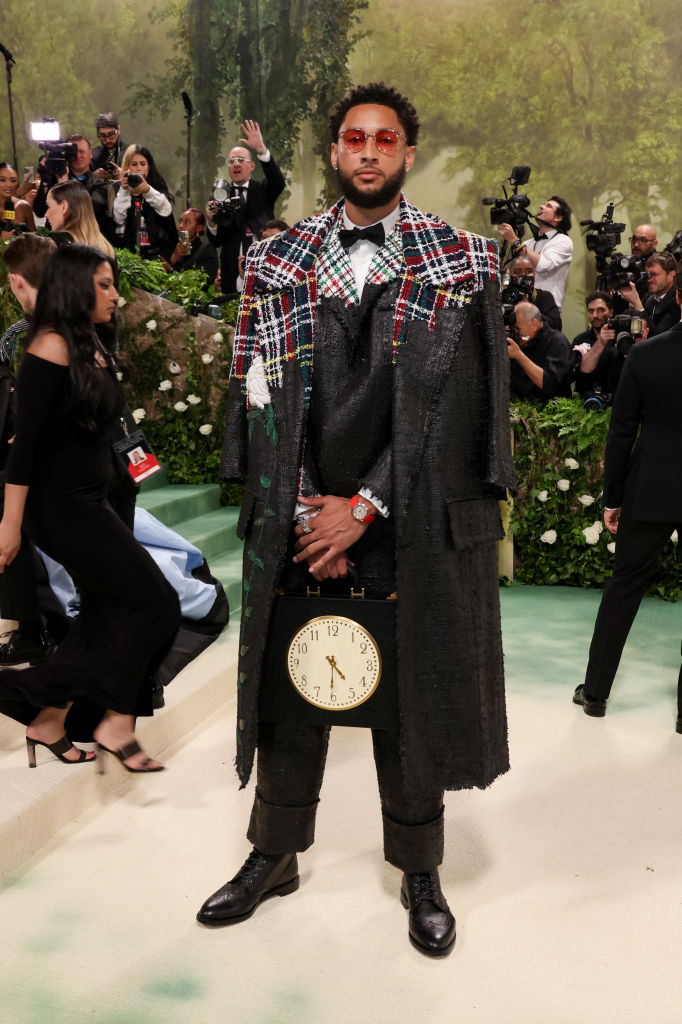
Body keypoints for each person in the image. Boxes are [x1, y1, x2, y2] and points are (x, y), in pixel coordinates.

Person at [197, 82, 515, 957]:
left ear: (407, 153)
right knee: (291, 692)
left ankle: (418, 868)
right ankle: (274, 853)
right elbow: (255, 392)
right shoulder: (273, 261)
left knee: (409, 694)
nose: (368, 151)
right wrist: (309, 512)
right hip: (303, 518)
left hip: (407, 519)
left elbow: (457, 415)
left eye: (385, 139)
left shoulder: (465, 261)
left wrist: (363, 510)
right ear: (334, 154)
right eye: (353, 139)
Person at [0, 245, 180, 770]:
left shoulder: (92, 343)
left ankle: (51, 718)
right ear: (76, 287)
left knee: (105, 613)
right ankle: (113, 718)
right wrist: (10, 525)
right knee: (157, 604)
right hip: (60, 510)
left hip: (93, 501)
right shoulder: (49, 347)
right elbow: (24, 447)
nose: (114, 294)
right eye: (103, 285)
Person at [574, 266, 682, 726]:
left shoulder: (646, 355)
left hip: (651, 487)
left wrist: (612, 498)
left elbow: (621, 434)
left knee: (623, 589)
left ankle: (595, 693)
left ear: (678, 298)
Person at [0, 235, 58, 666]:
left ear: (18, 282)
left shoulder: (41, 336)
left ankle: (39, 631)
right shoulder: (73, 323)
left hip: (57, 471)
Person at [205, 120, 285, 294]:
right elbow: (216, 241)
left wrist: (261, 150)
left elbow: (278, 182)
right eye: (231, 161)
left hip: (264, 267)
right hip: (231, 271)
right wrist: (211, 222)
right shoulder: (221, 195)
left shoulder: (263, 190)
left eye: (241, 160)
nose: (236, 164)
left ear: (251, 165)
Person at [499, 196, 573, 310]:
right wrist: (503, 269)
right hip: (523, 308)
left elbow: (544, 265)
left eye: (548, 206)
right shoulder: (528, 243)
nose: (541, 206)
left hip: (547, 310)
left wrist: (514, 240)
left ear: (558, 217)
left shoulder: (563, 241)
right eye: (543, 204)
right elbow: (516, 279)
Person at [114, 145, 178, 261]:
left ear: (149, 167)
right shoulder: (118, 189)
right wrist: (124, 190)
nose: (139, 168)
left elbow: (166, 210)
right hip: (128, 255)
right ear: (127, 167)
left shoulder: (157, 187)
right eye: (134, 164)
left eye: (143, 164)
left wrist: (147, 190)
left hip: (156, 255)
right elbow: (118, 219)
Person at [507, 301, 573, 401]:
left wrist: (519, 356)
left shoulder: (557, 342)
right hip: (521, 409)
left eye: (518, 329)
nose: (514, 333)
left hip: (551, 412)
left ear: (534, 324)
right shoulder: (522, 341)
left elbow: (549, 384)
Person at [571, 291, 623, 401]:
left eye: (601, 310)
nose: (595, 315)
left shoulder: (621, 338)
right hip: (583, 402)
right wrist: (600, 343)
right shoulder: (580, 339)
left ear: (611, 312)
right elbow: (577, 374)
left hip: (615, 401)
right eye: (591, 311)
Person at [45, 180, 115, 259]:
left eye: (49, 206)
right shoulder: (108, 249)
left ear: (64, 207)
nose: (46, 214)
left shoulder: (55, 244)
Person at [620, 252, 680, 338]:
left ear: (671, 274)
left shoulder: (678, 301)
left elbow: (659, 338)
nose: (649, 279)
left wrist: (637, 303)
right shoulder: (649, 298)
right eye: (647, 275)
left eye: (654, 274)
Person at [505, 253, 562, 330]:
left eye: (529, 271)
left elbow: (556, 327)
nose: (524, 275)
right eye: (518, 272)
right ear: (511, 275)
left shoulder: (544, 297)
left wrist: (530, 310)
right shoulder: (503, 296)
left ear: (534, 274)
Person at [161, 208, 218, 283]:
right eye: (180, 221)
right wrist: (174, 258)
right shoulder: (171, 247)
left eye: (187, 222)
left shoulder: (206, 249)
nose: (181, 225)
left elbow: (201, 282)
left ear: (199, 228)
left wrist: (171, 270)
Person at [0, 163, 36, 236]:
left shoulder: (23, 206)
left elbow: (35, 239)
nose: (8, 185)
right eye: (2, 180)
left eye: (13, 181)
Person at [90, 113, 129, 179]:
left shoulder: (131, 152)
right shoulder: (91, 155)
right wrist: (92, 176)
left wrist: (126, 175)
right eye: (102, 136)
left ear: (118, 129)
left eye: (111, 134)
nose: (107, 140)